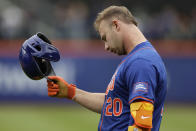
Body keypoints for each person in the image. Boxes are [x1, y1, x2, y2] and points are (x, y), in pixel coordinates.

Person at [47, 6, 167, 131]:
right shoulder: (136, 59)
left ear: (116, 25)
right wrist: (71, 92)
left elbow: (142, 125)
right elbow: (114, 104)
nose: (106, 46)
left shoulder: (141, 62)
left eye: (105, 38)